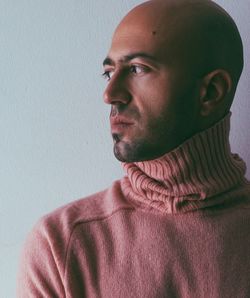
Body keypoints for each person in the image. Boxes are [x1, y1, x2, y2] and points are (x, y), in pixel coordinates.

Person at [17, 0, 250, 297]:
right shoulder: (60, 246)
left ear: (211, 92)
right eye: (108, 72)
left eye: (138, 69)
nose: (109, 94)